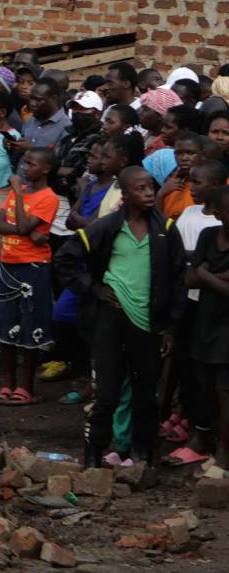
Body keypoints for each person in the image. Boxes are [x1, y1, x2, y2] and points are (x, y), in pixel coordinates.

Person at [57, 167, 183, 478]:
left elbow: (179, 279)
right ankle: (93, 456)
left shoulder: (165, 229)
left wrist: (171, 327)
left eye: (150, 187)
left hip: (149, 324)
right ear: (125, 196)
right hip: (111, 320)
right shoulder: (106, 226)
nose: (149, 193)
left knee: (145, 396)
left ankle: (143, 458)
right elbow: (65, 259)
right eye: (140, 189)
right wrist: (95, 289)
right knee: (107, 395)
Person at [0, 148, 59, 406]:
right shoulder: (16, 195)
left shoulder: (48, 198)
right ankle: (7, 384)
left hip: (33, 267)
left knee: (32, 324)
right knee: (6, 323)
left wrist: (18, 195)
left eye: (31, 163)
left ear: (45, 169)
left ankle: (26, 387)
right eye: (25, 162)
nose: (25, 167)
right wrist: (25, 231)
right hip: (8, 265)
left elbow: (20, 225)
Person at [181, 185, 229, 471]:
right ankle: (210, 441)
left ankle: (224, 455)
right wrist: (215, 277)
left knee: (225, 393)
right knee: (206, 389)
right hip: (206, 324)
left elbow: (198, 274)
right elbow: (189, 279)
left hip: (226, 331)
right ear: (221, 214)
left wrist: (204, 273)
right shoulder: (208, 235)